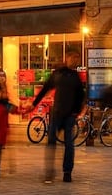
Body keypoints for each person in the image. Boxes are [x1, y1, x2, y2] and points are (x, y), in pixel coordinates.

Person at [33, 52, 86, 184]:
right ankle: (49, 173)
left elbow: (81, 95)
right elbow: (45, 89)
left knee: (69, 144)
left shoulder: (75, 77)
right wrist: (34, 104)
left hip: (69, 116)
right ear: (67, 58)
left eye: (77, 59)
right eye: (74, 58)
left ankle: (67, 172)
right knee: (51, 143)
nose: (75, 61)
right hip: (57, 114)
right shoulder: (58, 74)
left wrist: (76, 112)